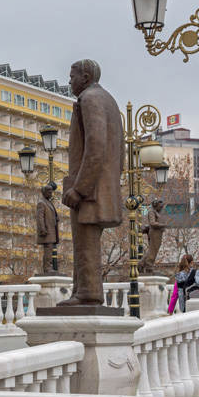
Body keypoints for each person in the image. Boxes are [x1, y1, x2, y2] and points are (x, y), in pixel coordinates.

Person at [57, 59, 124, 306]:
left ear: (85, 77)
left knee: (84, 242)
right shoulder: (109, 100)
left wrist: (80, 188)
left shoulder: (90, 98)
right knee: (86, 242)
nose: (69, 81)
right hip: (102, 185)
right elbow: (120, 153)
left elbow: (96, 146)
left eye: (72, 76)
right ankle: (82, 290)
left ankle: (87, 292)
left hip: (90, 189)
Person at [35, 183, 59, 274]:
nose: (51, 194)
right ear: (44, 192)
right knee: (48, 249)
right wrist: (42, 229)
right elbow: (40, 217)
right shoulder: (41, 203)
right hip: (47, 231)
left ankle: (49, 267)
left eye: (51, 192)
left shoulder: (49, 202)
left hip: (52, 230)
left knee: (50, 249)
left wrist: (56, 218)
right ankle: (47, 268)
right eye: (49, 192)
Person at [141, 199, 167, 273]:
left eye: (162, 206)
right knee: (153, 249)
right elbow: (152, 223)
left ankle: (141, 264)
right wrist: (163, 225)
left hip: (158, 232)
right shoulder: (152, 212)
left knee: (153, 249)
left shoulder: (158, 213)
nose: (161, 208)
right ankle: (149, 266)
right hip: (154, 232)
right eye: (160, 206)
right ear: (155, 205)